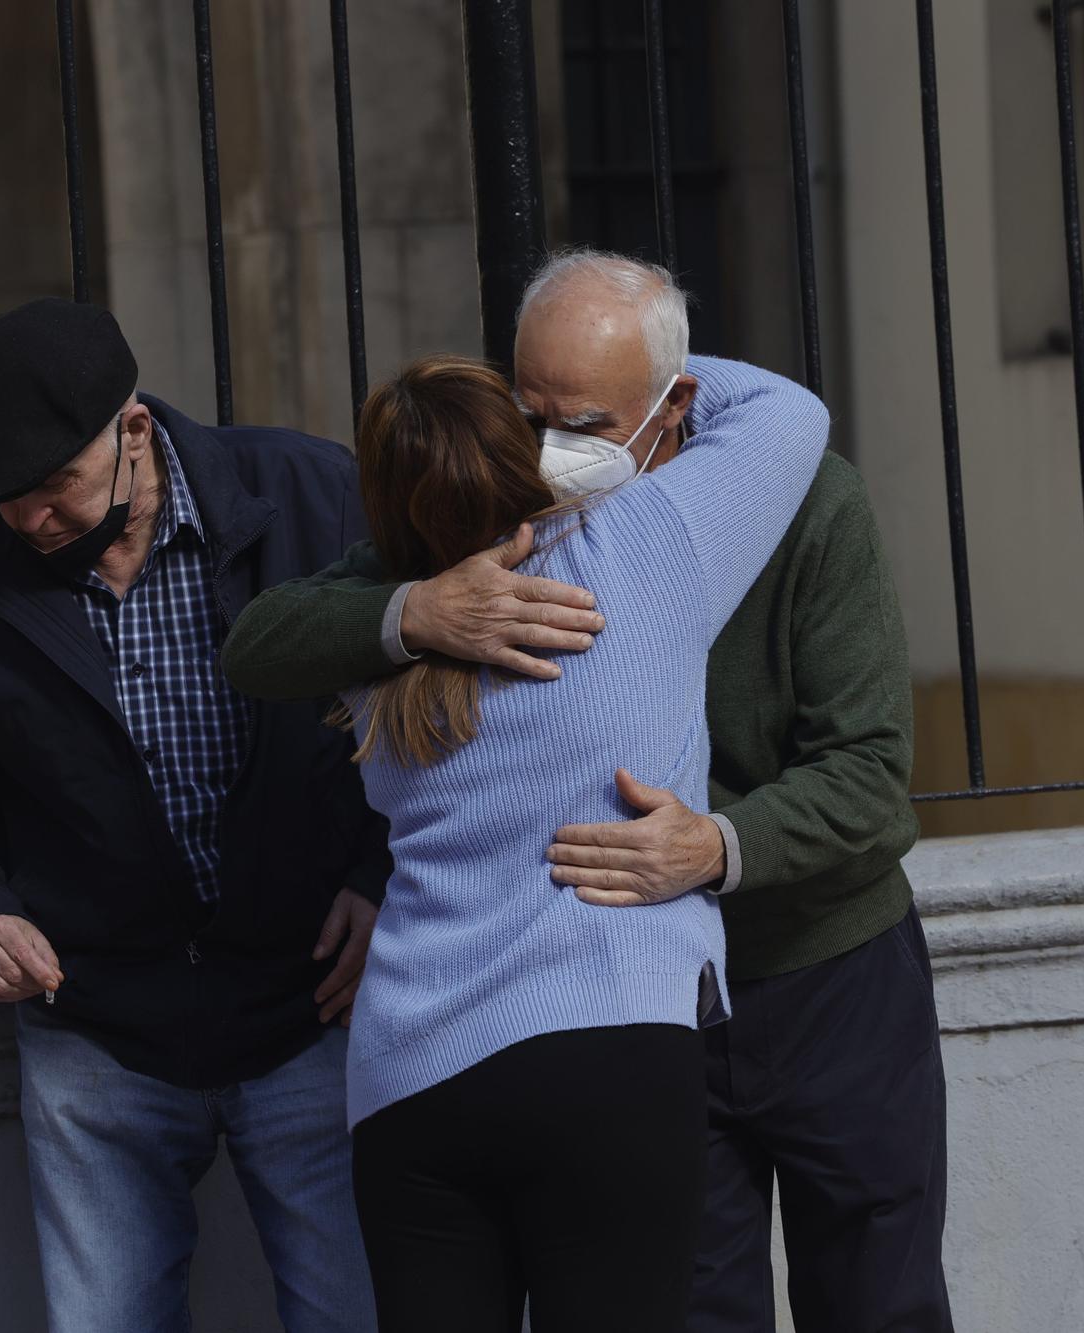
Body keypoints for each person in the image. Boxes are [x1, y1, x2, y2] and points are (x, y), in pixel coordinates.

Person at [221, 251, 952, 1332]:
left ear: (678, 406)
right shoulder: (487, 530)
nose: (552, 449)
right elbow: (269, 638)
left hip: (819, 968)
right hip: (645, 1005)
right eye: (527, 412)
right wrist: (416, 612)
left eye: (588, 422)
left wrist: (716, 846)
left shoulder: (793, 503)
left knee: (878, 1302)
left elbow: (868, 777)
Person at [0, 297, 386, 1333]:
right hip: (92, 1023)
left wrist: (381, 879)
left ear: (133, 430)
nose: (27, 520)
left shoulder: (308, 491)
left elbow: (421, 706)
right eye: (1, 499)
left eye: (52, 486)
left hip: (311, 1006)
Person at [314, 341, 826, 1333]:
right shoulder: (641, 550)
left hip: (410, 1076)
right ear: (526, 456)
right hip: (609, 1046)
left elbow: (281, 628)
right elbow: (783, 411)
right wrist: (593, 353)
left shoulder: (368, 641)